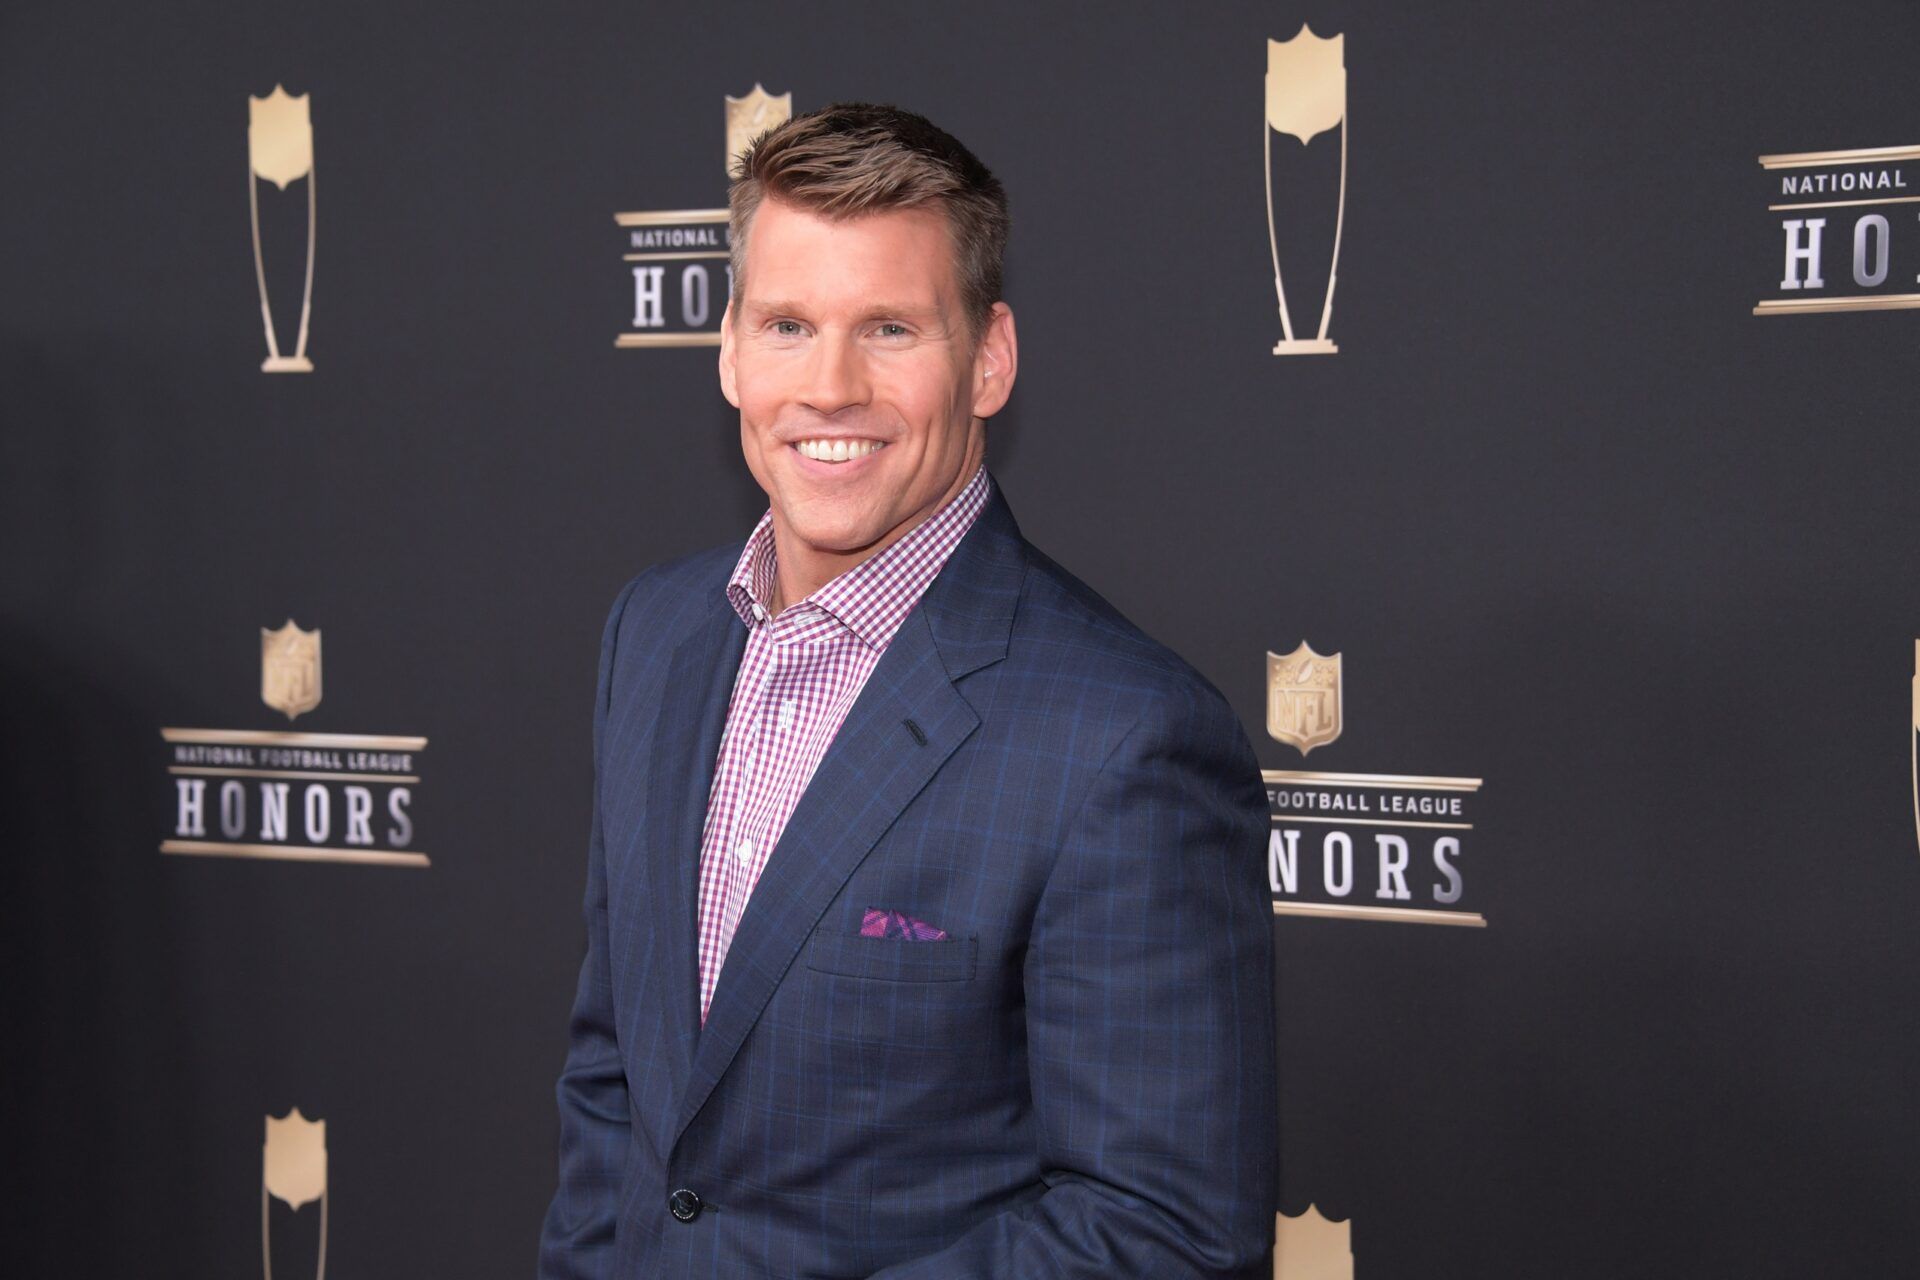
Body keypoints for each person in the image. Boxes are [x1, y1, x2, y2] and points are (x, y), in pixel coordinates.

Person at [538, 102, 1277, 1279]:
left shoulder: (1126, 736)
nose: (830, 386)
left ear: (989, 359)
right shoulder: (657, 632)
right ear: (729, 349)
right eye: (787, 324)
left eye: (888, 328)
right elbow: (614, 1086)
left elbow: (1162, 1229)